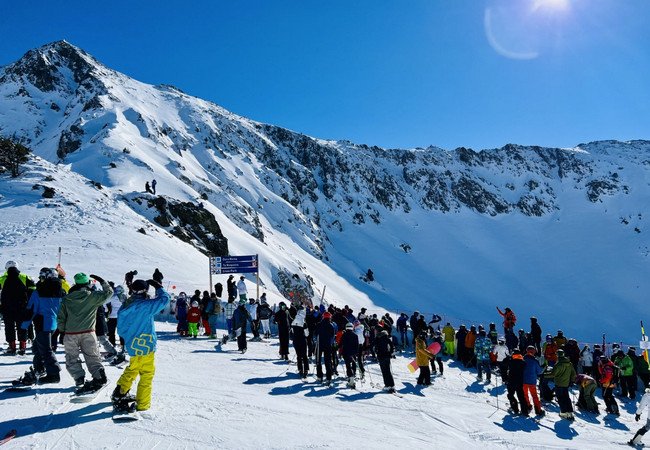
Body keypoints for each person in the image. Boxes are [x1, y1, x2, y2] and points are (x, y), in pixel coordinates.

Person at [111, 278, 170, 413]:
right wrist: (159, 287)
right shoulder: (145, 306)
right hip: (146, 345)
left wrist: (129, 337)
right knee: (146, 374)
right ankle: (143, 404)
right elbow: (165, 299)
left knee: (133, 369)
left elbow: (120, 329)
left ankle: (119, 392)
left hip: (132, 345)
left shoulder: (125, 305)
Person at [58, 273, 113, 392]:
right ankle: (99, 376)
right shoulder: (93, 296)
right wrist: (103, 281)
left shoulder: (67, 299)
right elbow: (109, 294)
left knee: (72, 357)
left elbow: (61, 317)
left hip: (70, 333)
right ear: (88, 283)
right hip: (89, 332)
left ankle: (78, 378)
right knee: (92, 355)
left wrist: (62, 331)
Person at [13, 268, 64, 386]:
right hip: (53, 323)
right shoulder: (60, 291)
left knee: (45, 350)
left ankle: (54, 374)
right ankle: (39, 369)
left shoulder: (39, 291)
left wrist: (23, 326)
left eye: (42, 277)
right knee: (37, 348)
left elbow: (31, 310)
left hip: (43, 324)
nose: (40, 280)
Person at [0, 260, 35, 355]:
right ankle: (23, 347)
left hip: (7, 308)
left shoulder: (2, 279)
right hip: (22, 307)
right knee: (22, 327)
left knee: (9, 327)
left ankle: (12, 347)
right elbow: (33, 291)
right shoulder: (25, 277)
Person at [552, 349, 577, 420]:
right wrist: (572, 381)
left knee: (560, 398)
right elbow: (573, 374)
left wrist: (544, 374)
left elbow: (553, 374)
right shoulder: (569, 363)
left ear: (557, 355)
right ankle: (570, 412)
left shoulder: (558, 364)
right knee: (566, 397)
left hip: (559, 383)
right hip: (566, 384)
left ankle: (563, 413)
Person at [523, 346, 544, 416]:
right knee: (534, 395)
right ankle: (538, 410)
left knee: (525, 394)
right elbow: (539, 372)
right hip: (532, 381)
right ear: (533, 352)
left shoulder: (522, 359)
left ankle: (527, 406)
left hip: (523, 380)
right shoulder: (535, 361)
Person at [505, 349, 528, 415]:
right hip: (520, 381)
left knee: (510, 395)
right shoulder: (523, 362)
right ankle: (524, 411)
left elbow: (503, 363)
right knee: (521, 396)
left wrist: (508, 357)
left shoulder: (511, 361)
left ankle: (515, 408)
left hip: (511, 380)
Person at [316, 311, 335, 385]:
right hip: (328, 345)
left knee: (318, 361)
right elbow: (332, 335)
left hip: (319, 344)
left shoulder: (319, 324)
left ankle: (319, 376)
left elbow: (316, 333)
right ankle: (328, 378)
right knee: (328, 362)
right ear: (329, 317)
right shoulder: (331, 325)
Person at [291, 303, 310, 380]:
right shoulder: (303, 322)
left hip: (296, 340)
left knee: (298, 355)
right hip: (302, 340)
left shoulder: (293, 321)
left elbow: (292, 331)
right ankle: (306, 370)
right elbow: (307, 334)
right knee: (304, 355)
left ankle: (300, 369)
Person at [342, 323, 358, 388]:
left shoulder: (344, 335)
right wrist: (356, 353)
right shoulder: (355, 335)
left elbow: (341, 343)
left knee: (348, 365)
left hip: (346, 353)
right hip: (353, 353)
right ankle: (353, 374)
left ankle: (351, 378)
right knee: (353, 364)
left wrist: (336, 348)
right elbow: (356, 345)